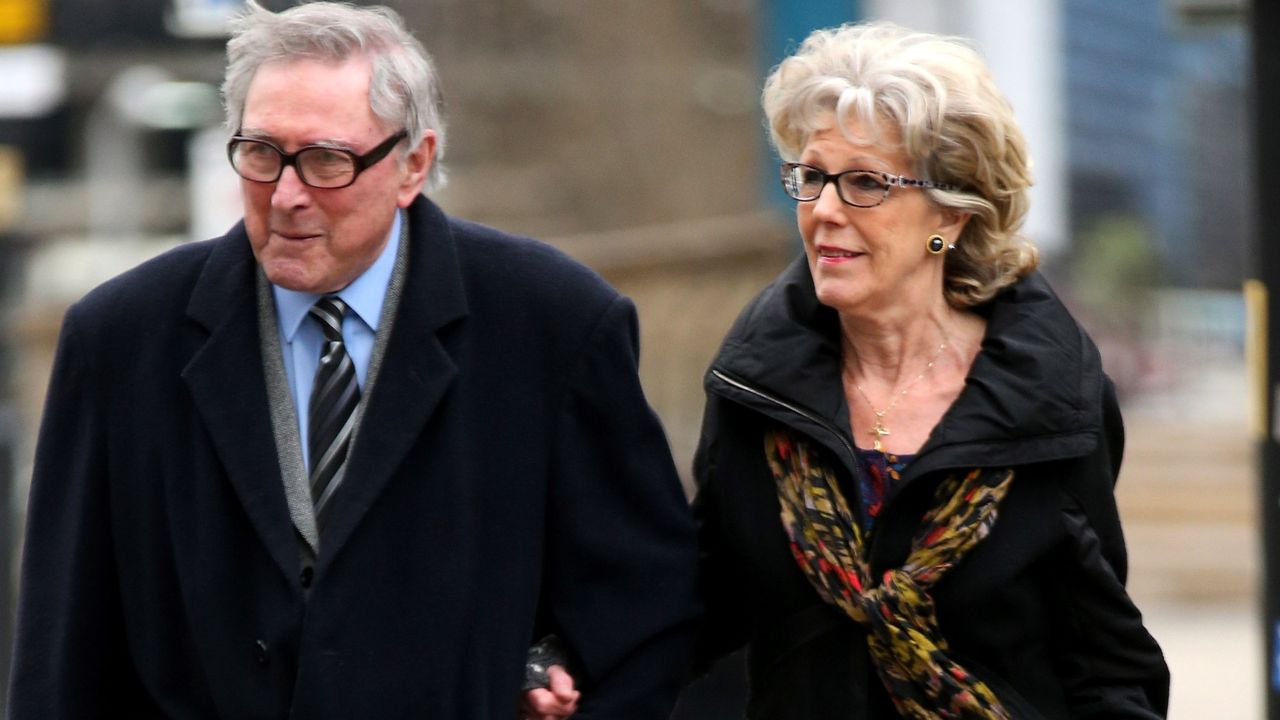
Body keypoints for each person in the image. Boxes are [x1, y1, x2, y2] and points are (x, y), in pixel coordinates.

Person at [5, 2, 699, 718]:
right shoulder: (120, 341)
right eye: (262, 153)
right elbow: (62, 656)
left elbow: (644, 618)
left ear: (415, 164)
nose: (287, 195)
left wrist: (540, 664)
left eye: (327, 160)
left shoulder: (555, 325)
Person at [689, 21, 1170, 719]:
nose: (824, 211)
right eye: (812, 177)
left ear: (952, 214)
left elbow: (1105, 657)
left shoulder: (1053, 399)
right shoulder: (756, 391)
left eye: (862, 183)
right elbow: (692, 607)